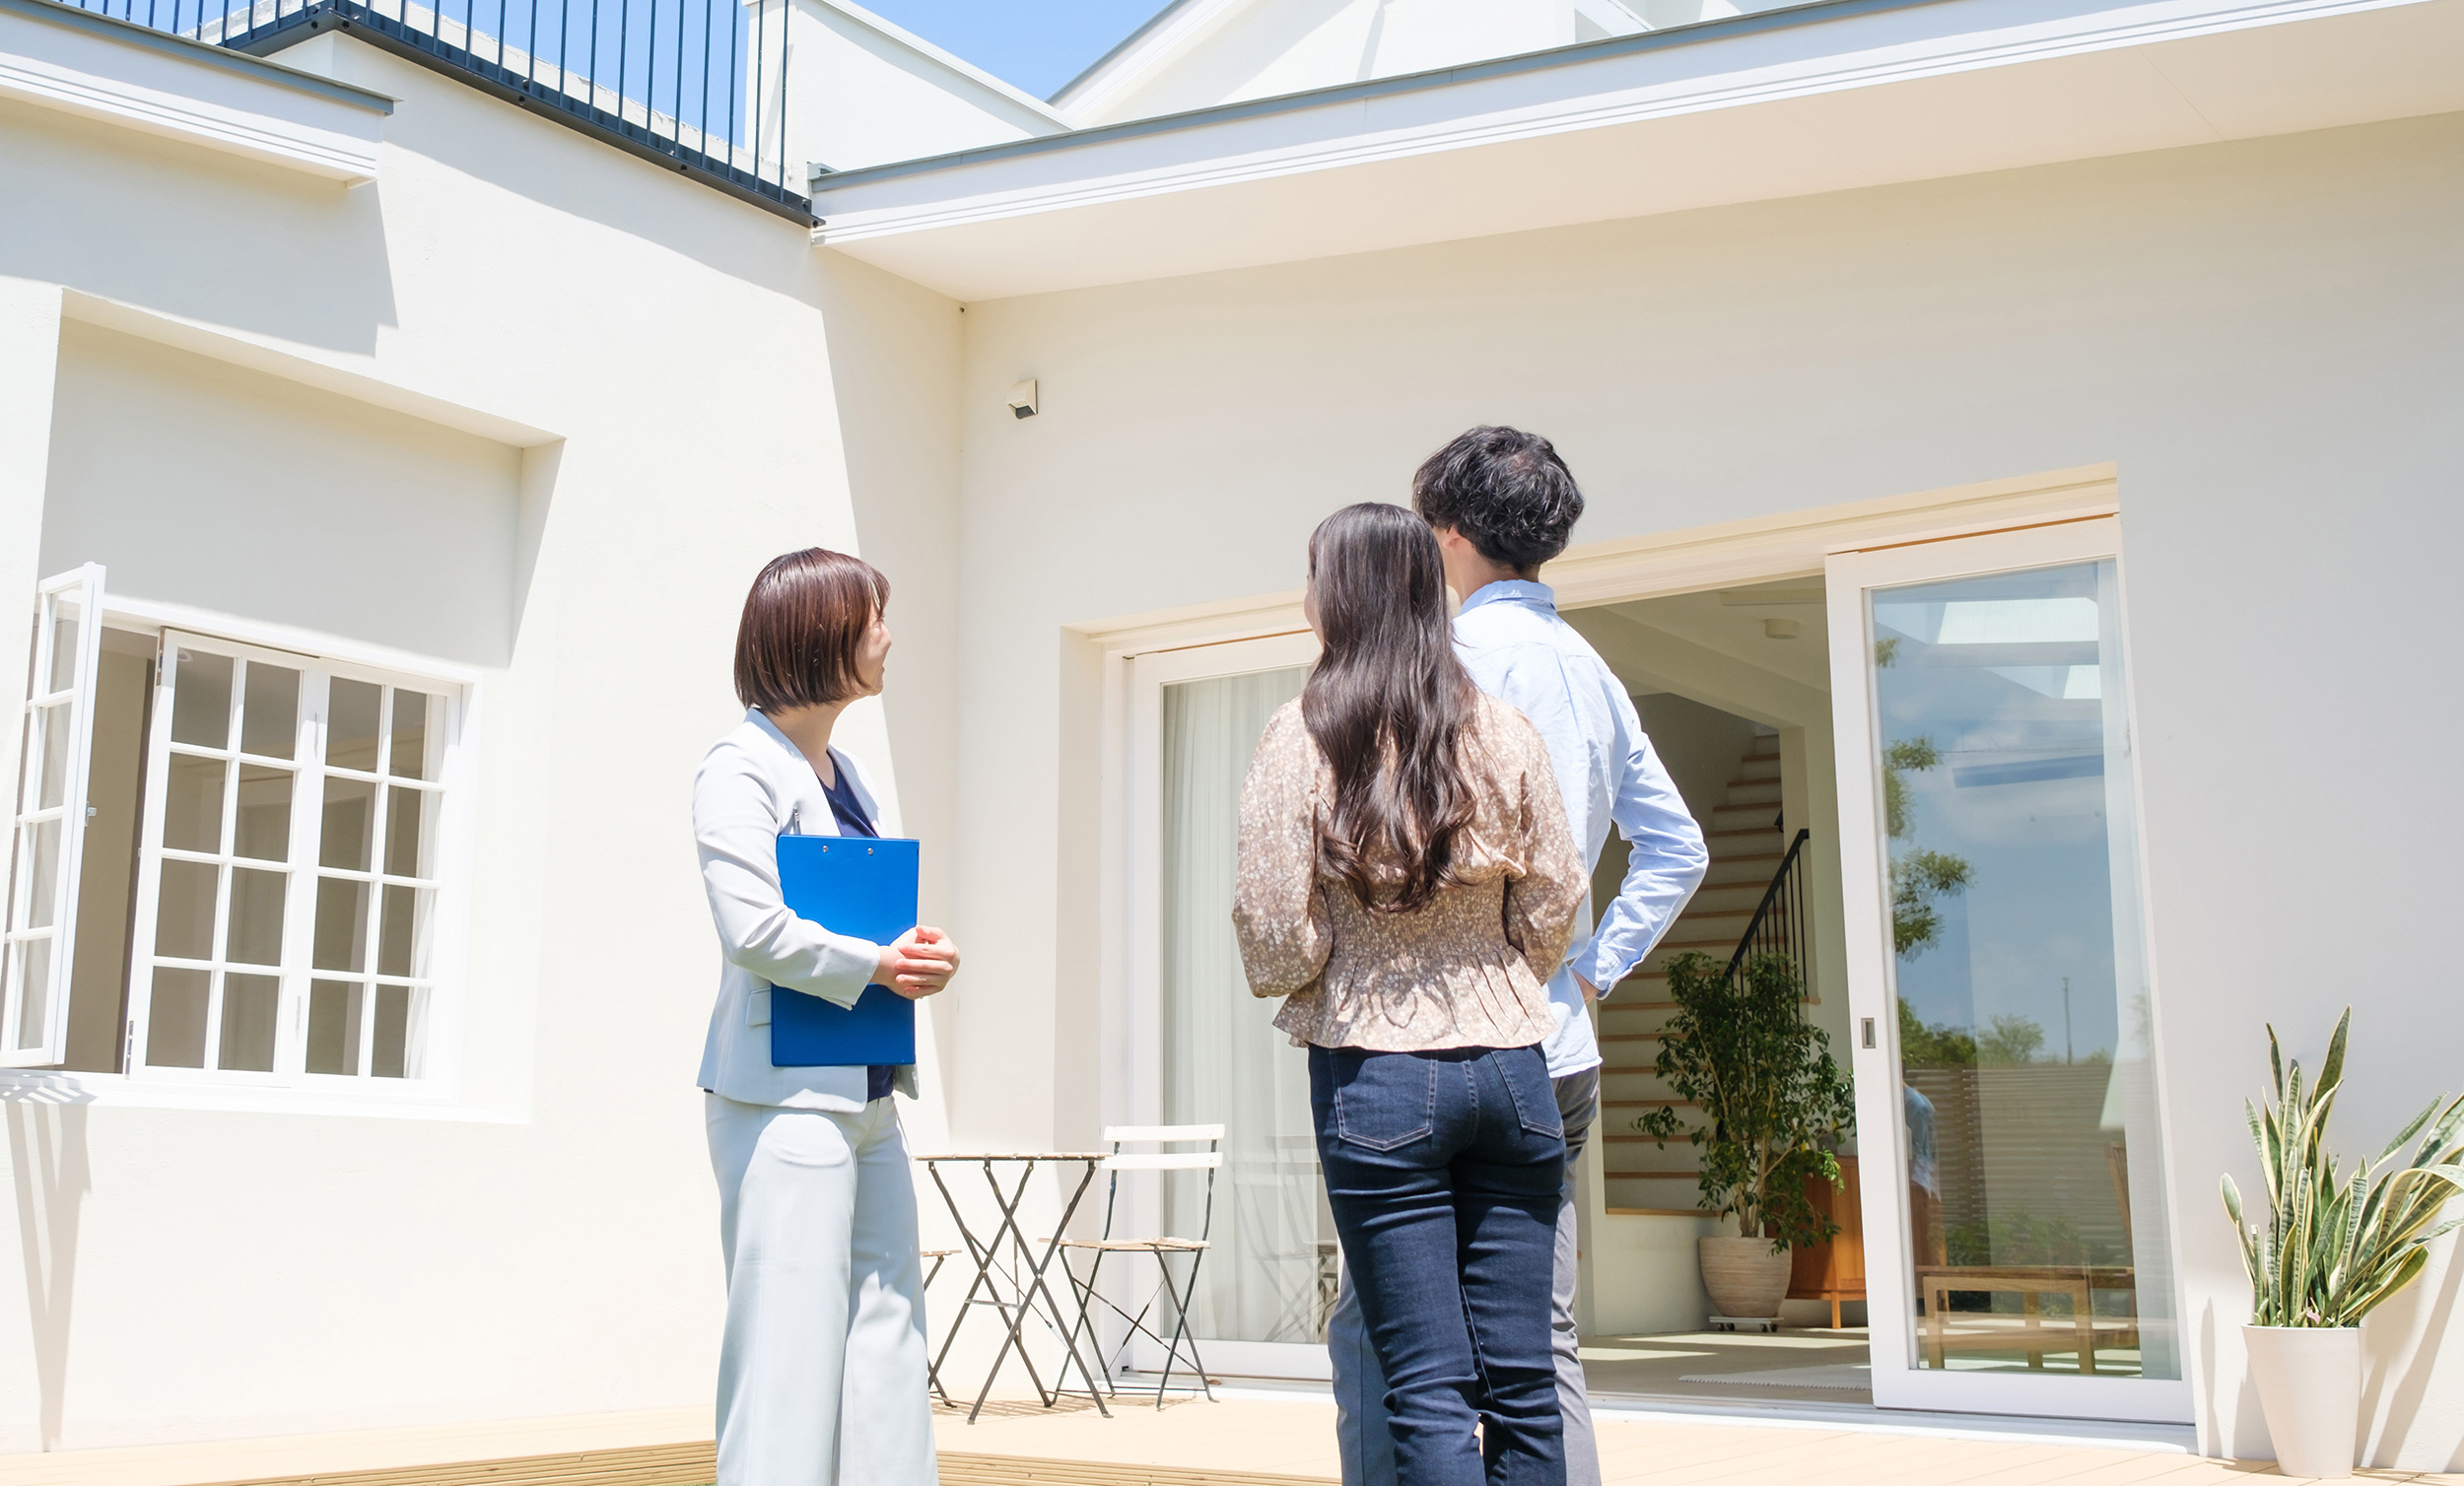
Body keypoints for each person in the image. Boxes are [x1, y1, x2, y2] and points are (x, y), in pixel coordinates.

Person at [1326, 429, 1710, 1486]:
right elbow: (1679, 843)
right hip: (1560, 1043)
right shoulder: (1590, 670)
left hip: (1439, 1038)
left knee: (1381, 1329)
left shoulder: (1450, 665)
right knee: (1535, 1342)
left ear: (1447, 533)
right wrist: (1591, 966)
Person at [1235, 502, 1589, 1486]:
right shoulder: (1502, 726)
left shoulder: (1302, 731)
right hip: (1515, 1070)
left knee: (1427, 1383)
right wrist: (1494, 958)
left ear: (1336, 594)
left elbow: (1271, 930)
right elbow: (1556, 891)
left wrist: (1339, 960)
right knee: (1523, 1376)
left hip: (1377, 1072)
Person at [692, 547, 960, 1486]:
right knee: (789, 1353)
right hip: (783, 1101)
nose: (888, 636)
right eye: (872, 617)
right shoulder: (738, 767)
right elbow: (754, 930)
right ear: (822, 634)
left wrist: (915, 954)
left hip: (870, 1098)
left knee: (887, 1343)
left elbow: (857, 919)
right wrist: (878, 965)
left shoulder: (846, 770)